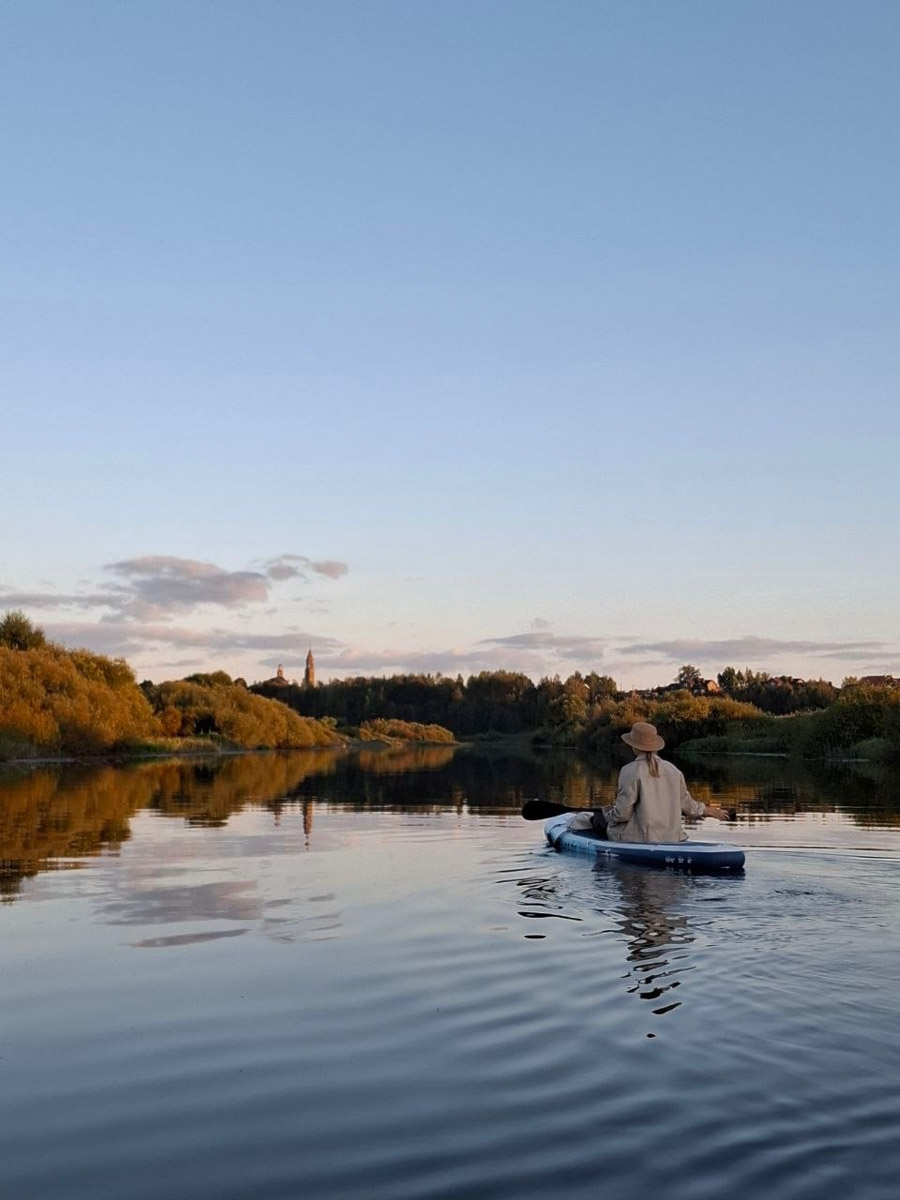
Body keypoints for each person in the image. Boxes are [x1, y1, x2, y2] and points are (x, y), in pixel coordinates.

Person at [585, 721, 729, 843]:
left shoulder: (629, 771)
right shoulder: (673, 770)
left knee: (597, 820)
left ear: (633, 746)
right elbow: (688, 806)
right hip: (673, 838)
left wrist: (607, 814)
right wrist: (707, 810)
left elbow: (623, 814)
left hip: (641, 839)